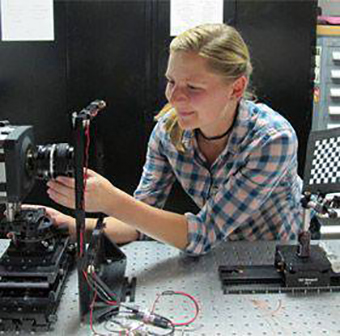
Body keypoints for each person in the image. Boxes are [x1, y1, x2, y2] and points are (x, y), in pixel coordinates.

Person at [45, 23, 303, 256]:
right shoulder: (169, 131)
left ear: (236, 88)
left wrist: (110, 200)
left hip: (273, 260)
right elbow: (140, 222)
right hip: (217, 258)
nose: (174, 97)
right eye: (171, 81)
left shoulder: (272, 140)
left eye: (193, 87)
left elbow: (203, 234)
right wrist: (72, 225)